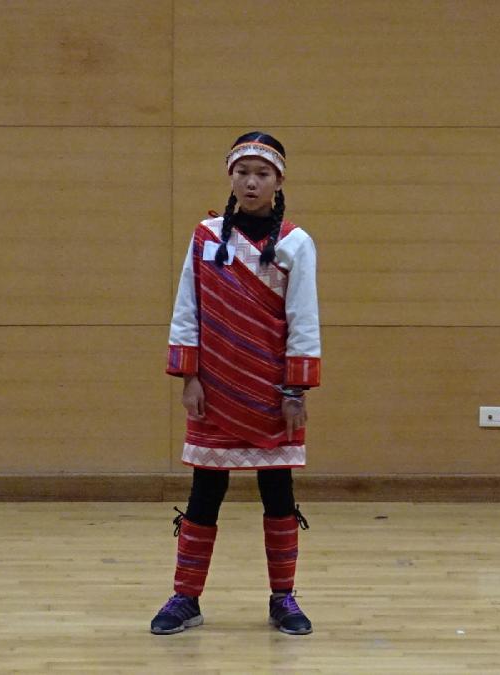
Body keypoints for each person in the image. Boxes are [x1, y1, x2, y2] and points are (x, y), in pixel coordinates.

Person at [150, 131, 321, 636]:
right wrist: (189, 377)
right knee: (204, 494)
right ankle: (185, 598)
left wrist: (294, 391)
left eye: (262, 174)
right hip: (215, 391)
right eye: (243, 172)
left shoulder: (295, 243)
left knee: (278, 494)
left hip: (272, 394)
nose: (251, 182)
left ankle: (283, 597)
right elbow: (187, 309)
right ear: (230, 177)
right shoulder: (205, 237)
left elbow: (304, 319)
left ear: (278, 181)